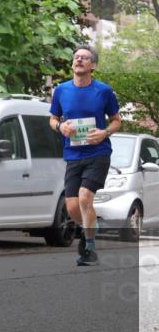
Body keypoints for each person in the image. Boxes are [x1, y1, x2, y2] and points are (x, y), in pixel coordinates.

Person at [49, 45, 121, 266]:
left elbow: (117, 120)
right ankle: (91, 226)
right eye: (77, 57)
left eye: (85, 58)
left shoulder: (103, 91)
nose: (79, 60)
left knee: (84, 198)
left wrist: (104, 132)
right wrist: (61, 127)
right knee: (72, 208)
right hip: (73, 154)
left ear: (93, 66)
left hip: (98, 153)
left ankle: (89, 248)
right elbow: (52, 119)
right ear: (73, 63)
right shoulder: (61, 90)